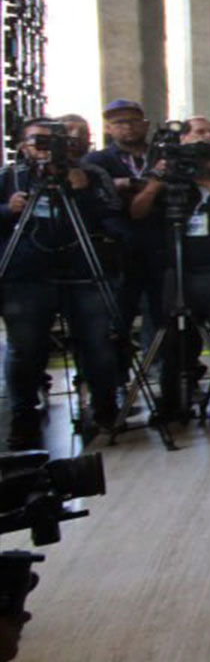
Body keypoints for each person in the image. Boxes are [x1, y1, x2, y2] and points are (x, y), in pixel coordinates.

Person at [1, 119, 127, 446]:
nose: (45, 148)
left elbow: (113, 214)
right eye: (37, 140)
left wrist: (82, 190)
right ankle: (23, 419)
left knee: (97, 344)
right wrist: (7, 209)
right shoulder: (9, 177)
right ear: (22, 144)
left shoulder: (89, 174)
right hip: (26, 277)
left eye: (53, 140)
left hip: (83, 272)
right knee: (25, 350)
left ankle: (104, 411)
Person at [129, 137, 210, 419]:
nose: (207, 165)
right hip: (179, 272)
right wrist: (155, 181)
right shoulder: (172, 188)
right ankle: (174, 403)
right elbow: (137, 212)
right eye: (202, 159)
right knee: (175, 340)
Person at [88, 99, 167, 348]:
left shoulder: (164, 156)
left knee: (164, 316)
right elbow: (102, 198)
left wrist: (126, 185)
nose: (127, 128)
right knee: (117, 318)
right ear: (108, 128)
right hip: (119, 252)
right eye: (119, 123)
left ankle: (165, 372)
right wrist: (147, 184)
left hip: (161, 247)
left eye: (133, 121)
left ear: (145, 125)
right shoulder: (96, 161)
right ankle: (118, 380)